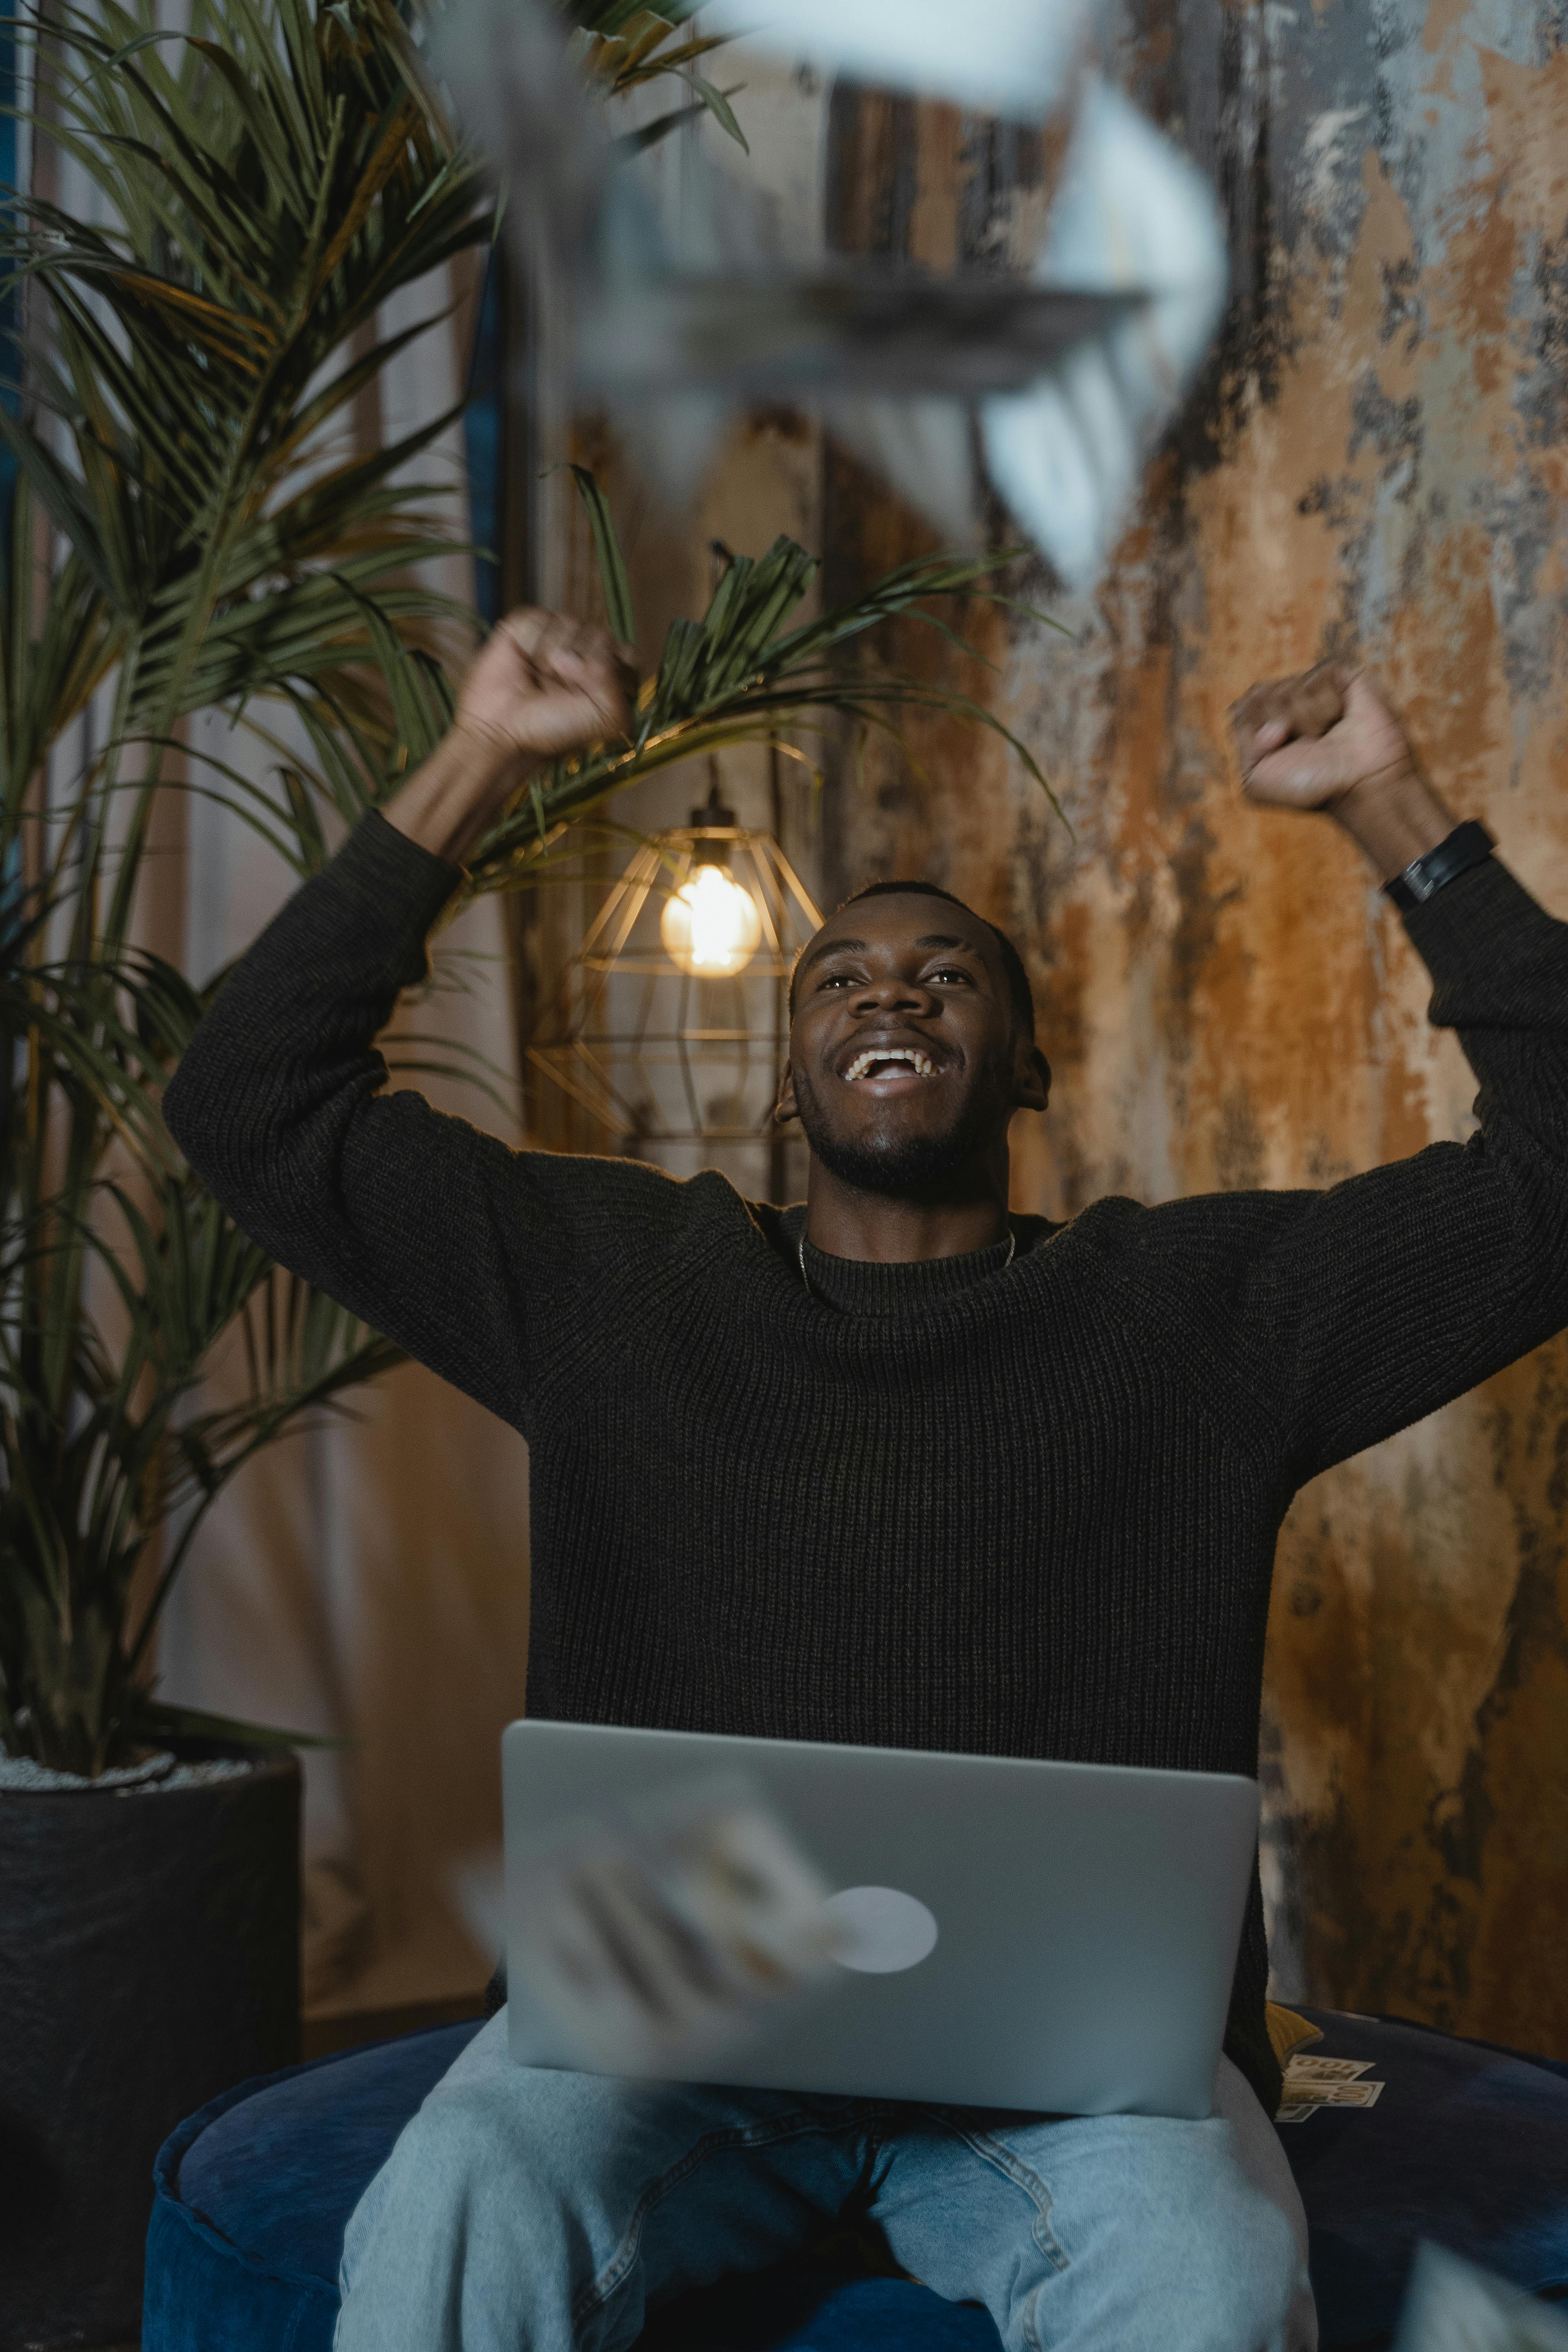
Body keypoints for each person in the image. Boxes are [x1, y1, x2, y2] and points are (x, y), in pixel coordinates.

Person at [163, 611, 1568, 2352]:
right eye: (836, 977)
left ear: (1030, 1065)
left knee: (1203, 2262)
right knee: (461, 2193)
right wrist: (484, 758)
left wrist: (1396, 804)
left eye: (947, 970)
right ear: (789, 1079)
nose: (889, 987)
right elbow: (248, 1096)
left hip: (1072, 2094)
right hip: (656, 2041)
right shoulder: (606, 1279)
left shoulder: (1207, 1313)